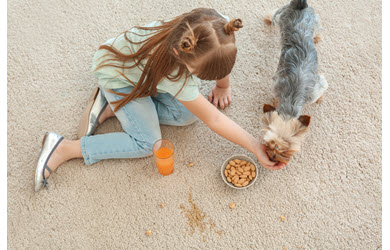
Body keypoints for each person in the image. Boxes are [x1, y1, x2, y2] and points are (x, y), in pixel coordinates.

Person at [35, 8, 286, 192]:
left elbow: (221, 59)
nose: (200, 79)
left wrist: (223, 84)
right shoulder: (174, 75)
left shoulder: (213, 26)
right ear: (181, 55)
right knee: (148, 143)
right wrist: (255, 145)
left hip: (140, 76)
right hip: (118, 80)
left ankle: (117, 107)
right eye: (198, 75)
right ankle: (65, 147)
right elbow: (214, 119)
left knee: (189, 114)